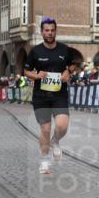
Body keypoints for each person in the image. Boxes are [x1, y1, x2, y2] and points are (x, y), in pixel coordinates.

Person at [23, 17, 72, 175]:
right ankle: (44, 162)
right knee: (45, 129)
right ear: (42, 32)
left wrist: (68, 71)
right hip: (41, 96)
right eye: (46, 30)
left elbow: (72, 65)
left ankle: (55, 140)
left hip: (59, 95)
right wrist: (37, 76)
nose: (49, 33)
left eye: (52, 30)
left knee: (62, 126)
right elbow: (26, 71)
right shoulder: (35, 51)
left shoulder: (64, 49)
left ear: (55, 31)